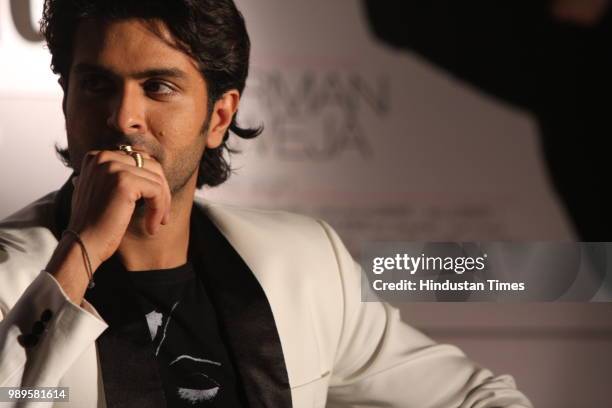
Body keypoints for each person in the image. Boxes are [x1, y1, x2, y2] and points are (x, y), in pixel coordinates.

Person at [0, 0, 533, 407]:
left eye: (158, 86)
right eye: (95, 84)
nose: (123, 118)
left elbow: (478, 396)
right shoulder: (9, 277)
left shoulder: (307, 263)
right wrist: (84, 249)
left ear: (219, 117)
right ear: (66, 97)